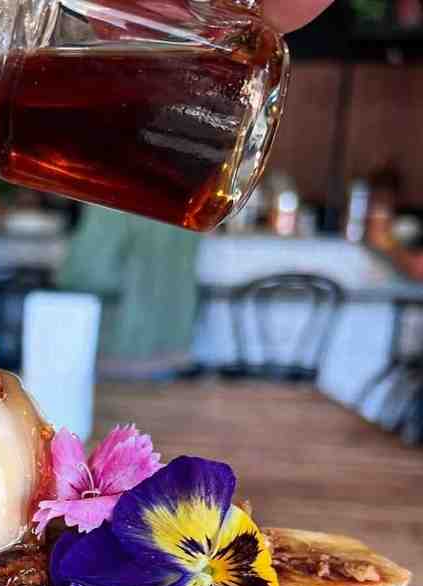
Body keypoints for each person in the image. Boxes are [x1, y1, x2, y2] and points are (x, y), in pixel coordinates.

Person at [56, 0, 336, 372]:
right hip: (175, 346)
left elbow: (84, 274)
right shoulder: (191, 182)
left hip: (116, 350)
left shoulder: (107, 180)